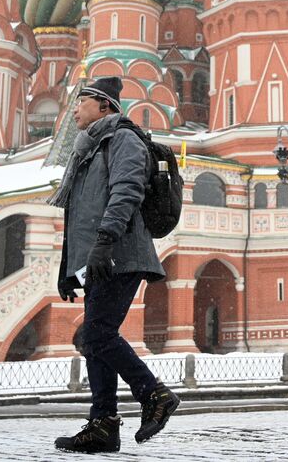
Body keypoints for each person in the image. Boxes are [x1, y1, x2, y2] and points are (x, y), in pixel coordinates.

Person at [49, 76, 179, 454]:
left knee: (97, 335)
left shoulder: (123, 138)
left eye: (82, 101)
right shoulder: (89, 149)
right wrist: (68, 269)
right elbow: (79, 214)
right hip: (101, 256)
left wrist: (105, 241)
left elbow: (127, 190)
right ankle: (103, 424)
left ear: (104, 105)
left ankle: (154, 394)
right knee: (95, 340)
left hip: (121, 252)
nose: (75, 108)